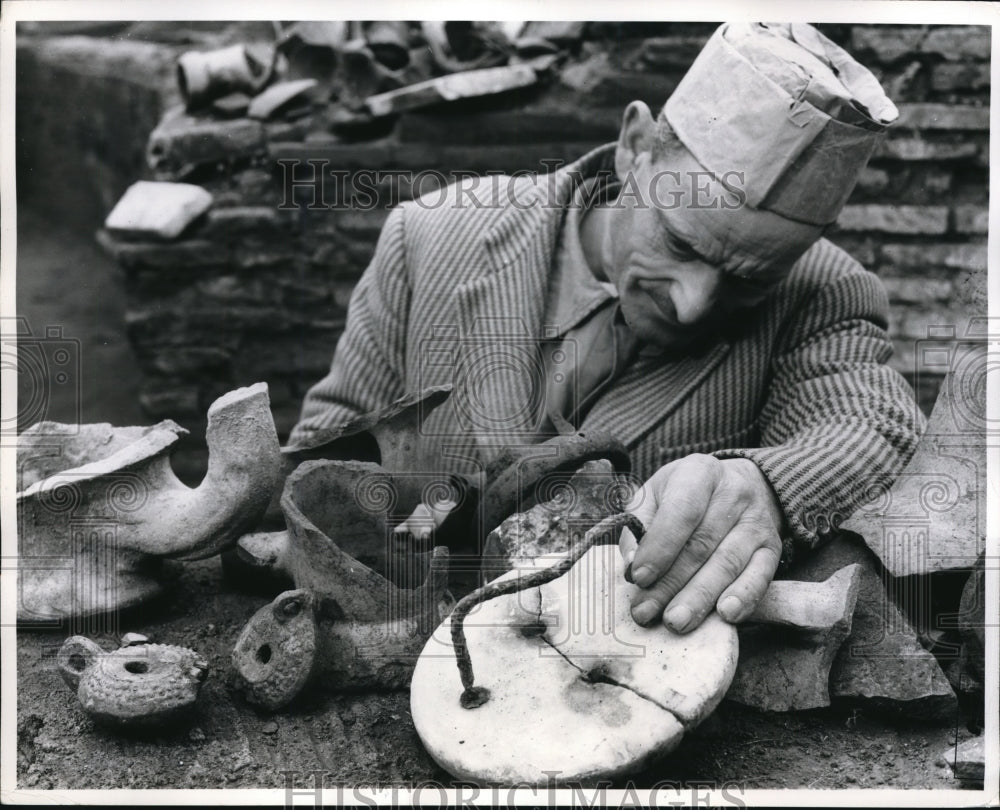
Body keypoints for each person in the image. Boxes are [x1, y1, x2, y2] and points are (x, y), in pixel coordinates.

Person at [287, 22, 925, 635]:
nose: (694, 305)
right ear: (635, 148)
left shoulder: (823, 292)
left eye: (748, 278)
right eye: (678, 243)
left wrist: (765, 487)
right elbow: (326, 450)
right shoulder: (427, 235)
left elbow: (874, 426)